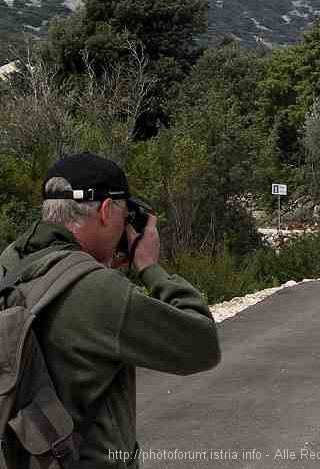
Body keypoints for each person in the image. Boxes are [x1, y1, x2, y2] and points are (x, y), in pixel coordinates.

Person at [0, 152, 221, 468]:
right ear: (105, 211)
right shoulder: (99, 291)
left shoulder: (11, 267)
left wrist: (94, 263)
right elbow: (203, 345)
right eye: (123, 215)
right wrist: (150, 268)